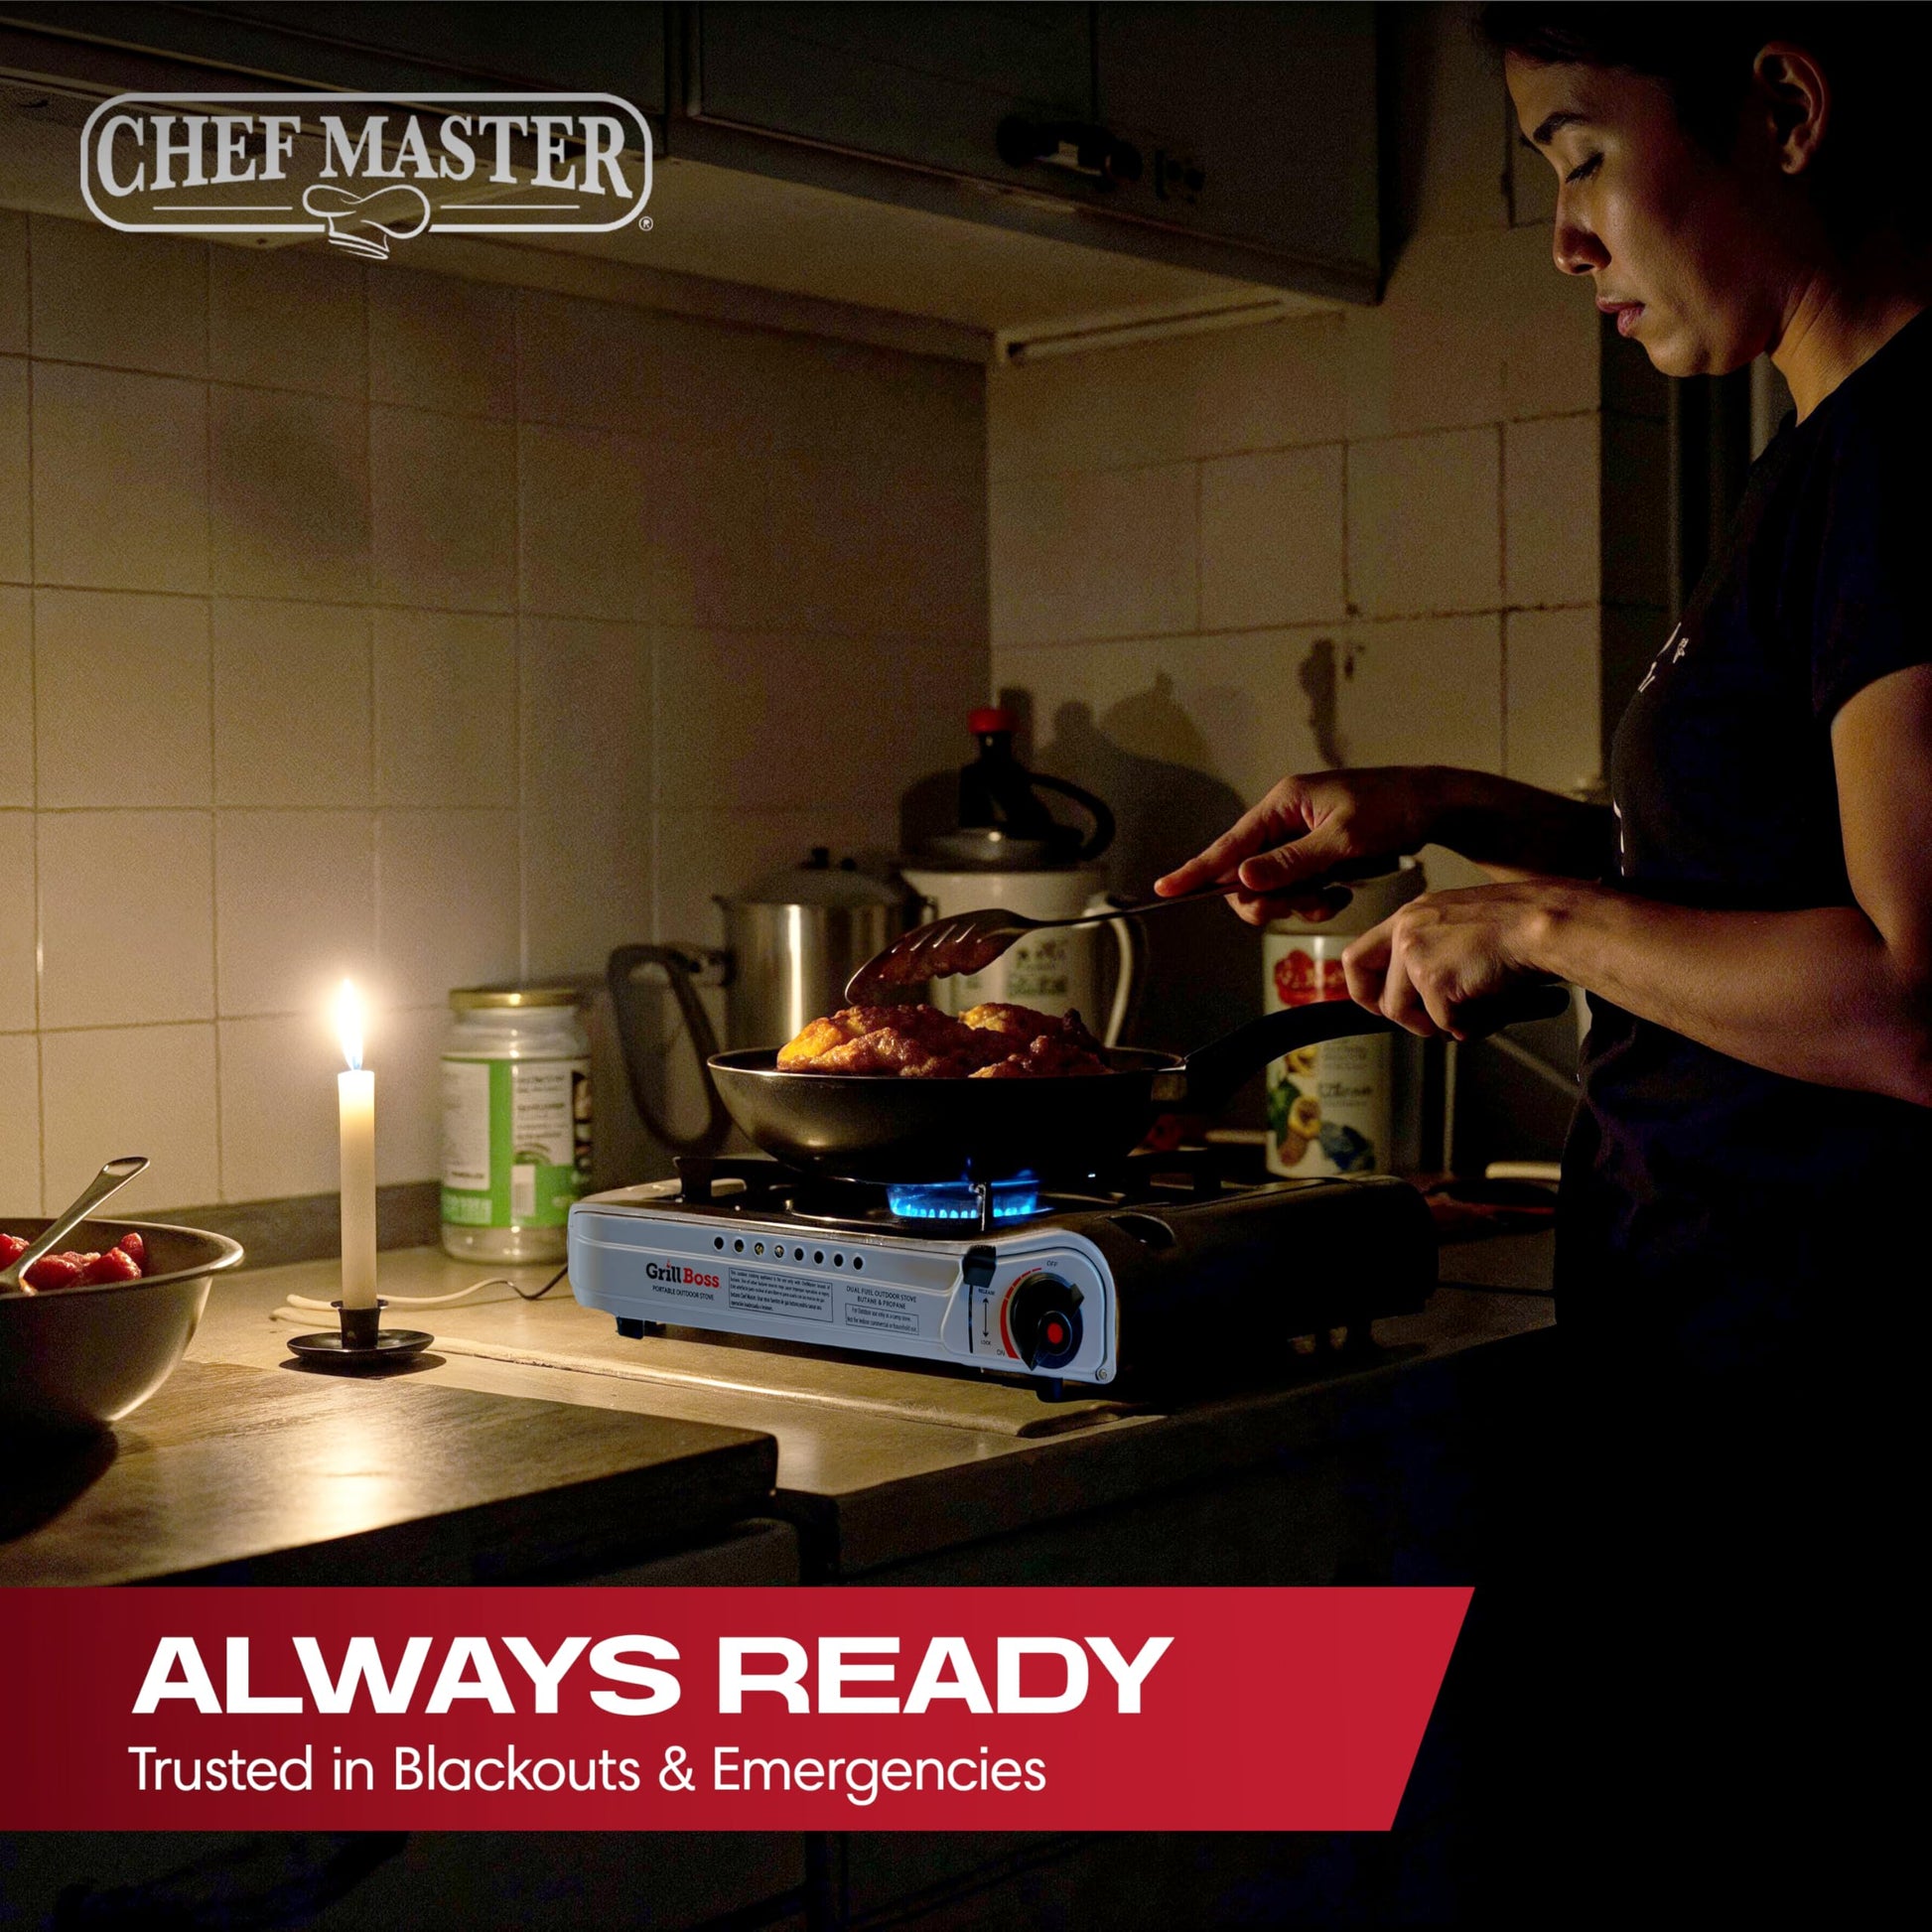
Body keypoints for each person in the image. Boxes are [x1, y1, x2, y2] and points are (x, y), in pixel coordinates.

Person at [1157, 4, 1931, 1914]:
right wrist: (1454, 814)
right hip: (1716, 1377)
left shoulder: (1915, 454)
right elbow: (1749, 881)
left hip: (1817, 1421)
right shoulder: (1820, 461)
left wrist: (1534, 922)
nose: (1568, 236)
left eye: (1578, 156)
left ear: (1782, 108)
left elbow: (1917, 1000)